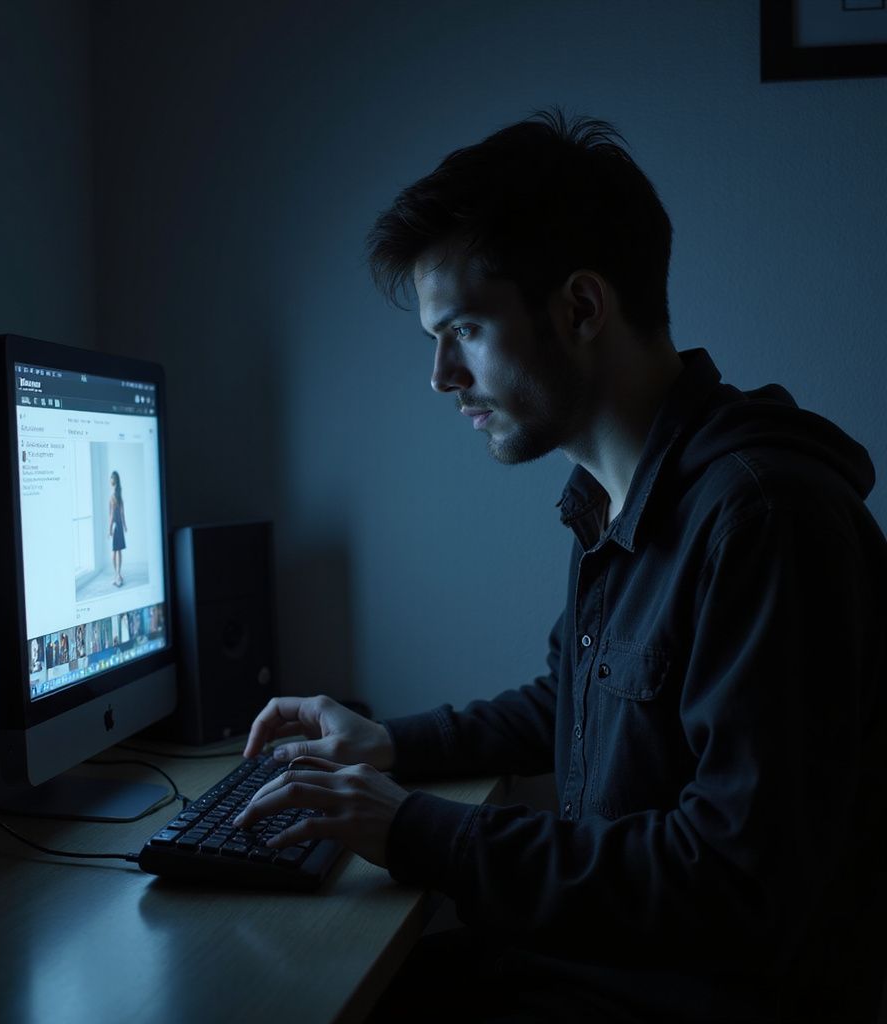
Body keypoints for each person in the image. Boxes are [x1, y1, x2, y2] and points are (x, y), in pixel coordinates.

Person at [236, 110, 887, 1022]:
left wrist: (410, 828)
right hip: (599, 967)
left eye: (462, 329)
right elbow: (574, 702)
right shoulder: (615, 501)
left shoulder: (763, 520)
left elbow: (736, 881)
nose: (440, 377)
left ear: (582, 308)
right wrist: (388, 745)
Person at [109, 469, 127, 586]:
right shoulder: (119, 494)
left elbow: (111, 515)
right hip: (119, 525)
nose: (110, 480)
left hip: (115, 526)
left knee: (114, 552)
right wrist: (125, 525)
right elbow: (122, 513)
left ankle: (117, 575)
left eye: (111, 478)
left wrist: (109, 528)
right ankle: (118, 574)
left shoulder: (112, 496)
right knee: (118, 551)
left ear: (113, 480)